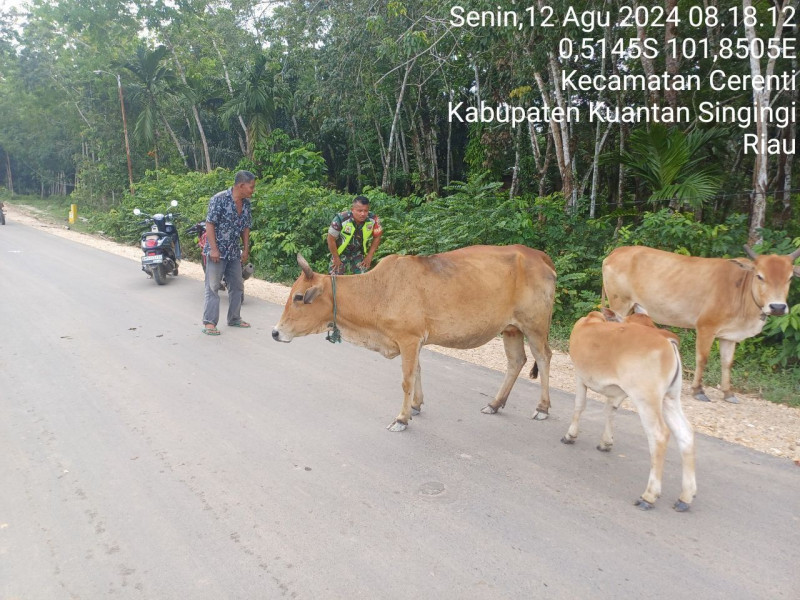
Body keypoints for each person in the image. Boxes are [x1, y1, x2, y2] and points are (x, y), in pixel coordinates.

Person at [201, 170, 254, 335]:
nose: (253, 190)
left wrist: (245, 249)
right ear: (241, 185)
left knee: (237, 286)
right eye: (251, 187)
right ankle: (209, 323)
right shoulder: (219, 199)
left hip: (233, 253)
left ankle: (234, 318)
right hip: (217, 253)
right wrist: (214, 249)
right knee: (213, 287)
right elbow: (209, 224)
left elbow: (245, 227)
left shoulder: (246, 204)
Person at [327, 195, 383, 275]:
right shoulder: (341, 219)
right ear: (352, 210)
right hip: (340, 252)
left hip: (358, 252)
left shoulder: (373, 219)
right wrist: (336, 257)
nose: (363, 214)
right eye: (359, 211)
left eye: (365, 211)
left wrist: (369, 256)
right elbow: (330, 239)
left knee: (363, 278)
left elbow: (377, 236)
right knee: (334, 280)